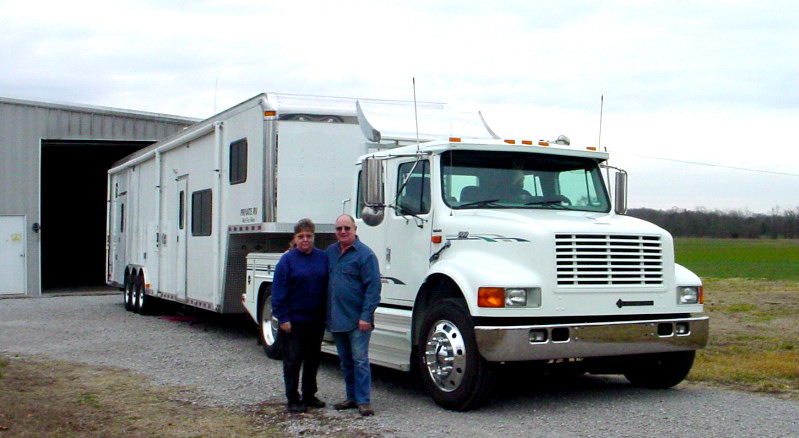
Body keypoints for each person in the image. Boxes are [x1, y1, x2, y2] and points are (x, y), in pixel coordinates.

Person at [271, 218, 328, 414]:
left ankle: (309, 395)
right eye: (301, 236)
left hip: (316, 319)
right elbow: (278, 292)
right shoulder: (287, 260)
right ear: (295, 238)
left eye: (309, 236)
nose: (305, 239)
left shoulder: (322, 257)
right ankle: (293, 399)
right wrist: (283, 318)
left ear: (314, 237)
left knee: (313, 360)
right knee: (293, 360)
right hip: (294, 322)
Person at [326, 214, 381, 416]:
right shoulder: (330, 253)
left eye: (346, 228)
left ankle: (364, 401)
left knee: (360, 361)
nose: (342, 232)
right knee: (345, 362)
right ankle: (351, 398)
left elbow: (373, 289)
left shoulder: (366, 255)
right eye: (339, 228)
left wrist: (366, 316)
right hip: (337, 319)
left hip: (358, 321)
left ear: (355, 229)